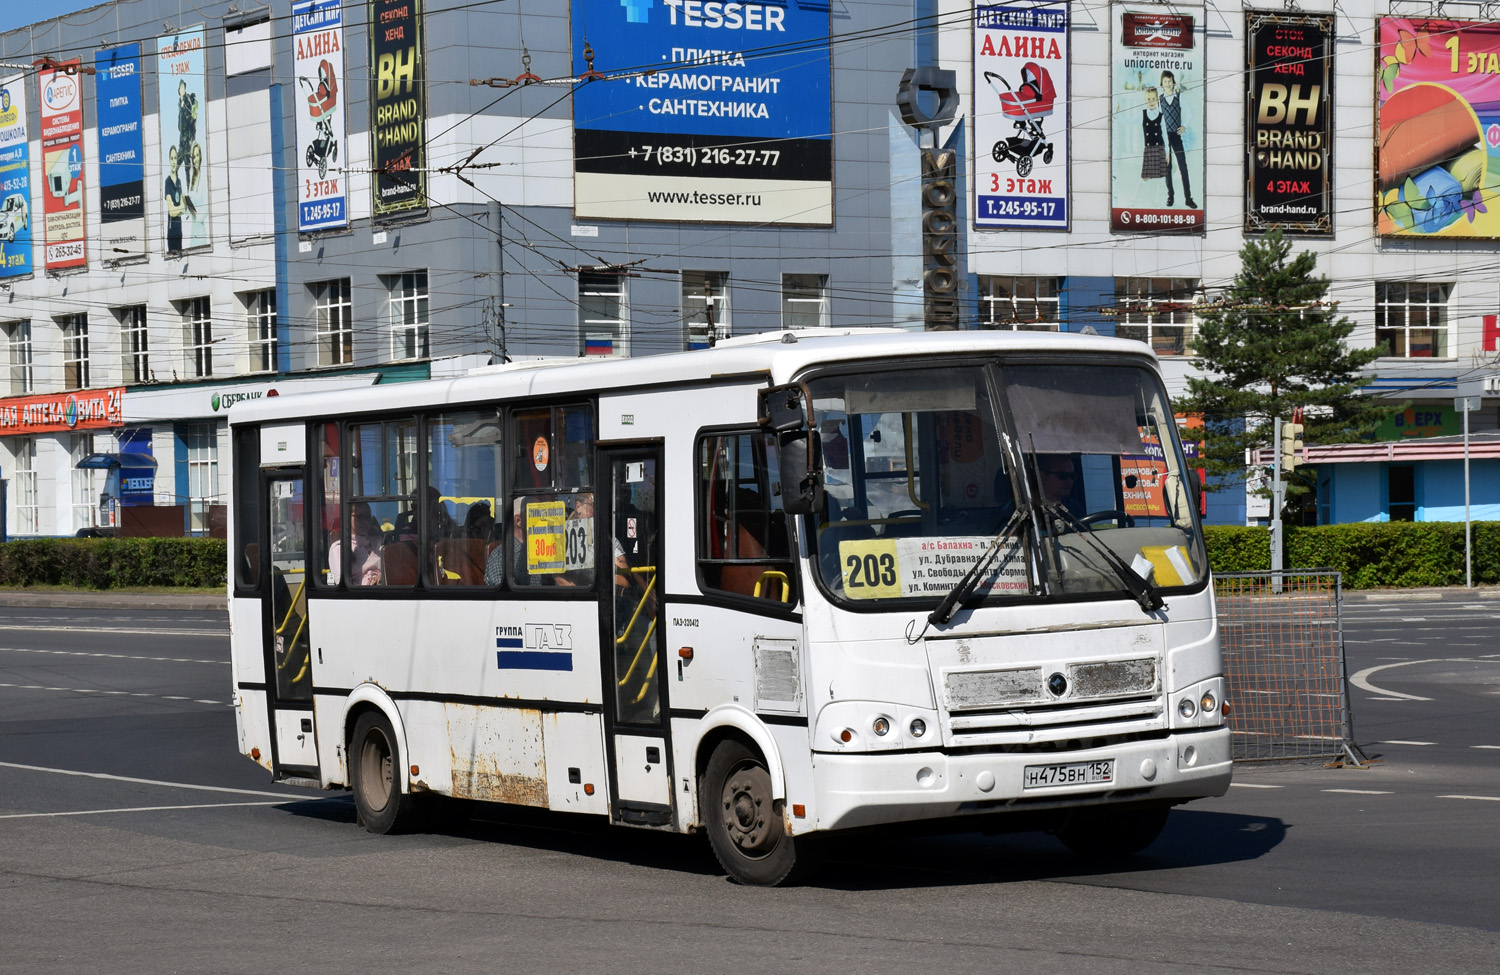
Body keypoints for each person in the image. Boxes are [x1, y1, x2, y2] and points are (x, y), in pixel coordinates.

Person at [1159, 71, 1197, 209]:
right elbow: (1160, 119)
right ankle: (1171, 196)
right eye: (1165, 82)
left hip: (1176, 135)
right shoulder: (1160, 99)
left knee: (1183, 166)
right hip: (1165, 135)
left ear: (1173, 82)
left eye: (1169, 81)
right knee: (1167, 168)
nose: (1167, 84)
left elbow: (1190, 111)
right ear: (1161, 84)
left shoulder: (1179, 97)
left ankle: (1188, 198)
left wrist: (1184, 126)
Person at [328, 502, 382, 585]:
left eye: (368, 517)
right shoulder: (339, 548)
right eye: (359, 517)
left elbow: (389, 570)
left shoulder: (377, 543)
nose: (365, 521)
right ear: (347, 518)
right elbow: (342, 583)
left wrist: (378, 577)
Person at [1139, 88, 1167, 186]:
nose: (1151, 102)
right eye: (1148, 99)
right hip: (1148, 148)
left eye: (1153, 99)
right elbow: (1131, 121)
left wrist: (1167, 153)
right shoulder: (1142, 114)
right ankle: (1135, 197)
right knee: (1145, 177)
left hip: (1159, 148)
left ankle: (1158, 200)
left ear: (1157, 99)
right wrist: (1119, 116)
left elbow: (1165, 135)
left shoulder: (1161, 116)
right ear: (1145, 100)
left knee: (1159, 177)